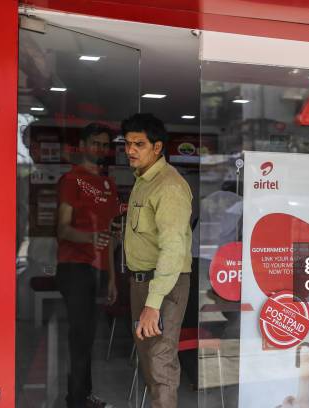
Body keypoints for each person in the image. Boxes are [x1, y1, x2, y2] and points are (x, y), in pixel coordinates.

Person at [122, 113, 192, 408]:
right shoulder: (143, 180)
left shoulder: (169, 186)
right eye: (127, 144)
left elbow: (173, 250)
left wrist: (153, 304)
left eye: (139, 144)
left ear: (158, 147)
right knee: (149, 361)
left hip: (163, 285)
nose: (130, 150)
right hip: (142, 282)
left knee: (160, 362)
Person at [55, 123, 120, 408]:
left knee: (89, 336)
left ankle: (83, 396)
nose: (100, 149)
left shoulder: (110, 184)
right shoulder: (72, 179)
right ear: (83, 145)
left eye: (105, 145)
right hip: (75, 267)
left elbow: (111, 236)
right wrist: (91, 237)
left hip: (99, 270)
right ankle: (76, 401)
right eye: (95, 143)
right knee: (80, 336)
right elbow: (63, 229)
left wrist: (112, 280)